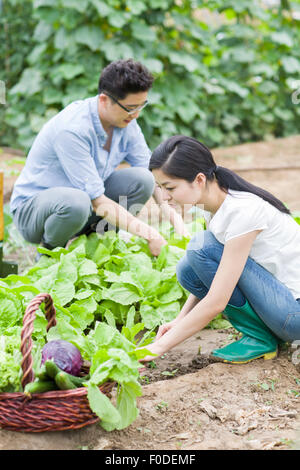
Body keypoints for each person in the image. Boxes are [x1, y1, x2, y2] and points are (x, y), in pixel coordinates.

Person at [140, 135, 300, 364]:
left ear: (199, 179)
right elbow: (215, 272)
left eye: (170, 188)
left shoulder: (242, 211)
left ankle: (260, 337)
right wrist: (179, 319)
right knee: (189, 269)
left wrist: (158, 347)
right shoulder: (213, 204)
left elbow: (217, 300)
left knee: (200, 248)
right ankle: (261, 335)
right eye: (160, 188)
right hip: (278, 303)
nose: (165, 197)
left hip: (294, 316)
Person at [10, 59, 189, 260]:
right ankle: (48, 254)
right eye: (131, 108)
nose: (136, 115)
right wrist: (150, 234)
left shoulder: (126, 122)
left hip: (84, 204)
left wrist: (179, 224)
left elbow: (152, 175)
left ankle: (99, 245)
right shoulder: (73, 130)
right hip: (35, 212)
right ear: (104, 100)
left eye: (141, 106)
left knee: (143, 180)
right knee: (77, 202)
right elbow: (96, 201)